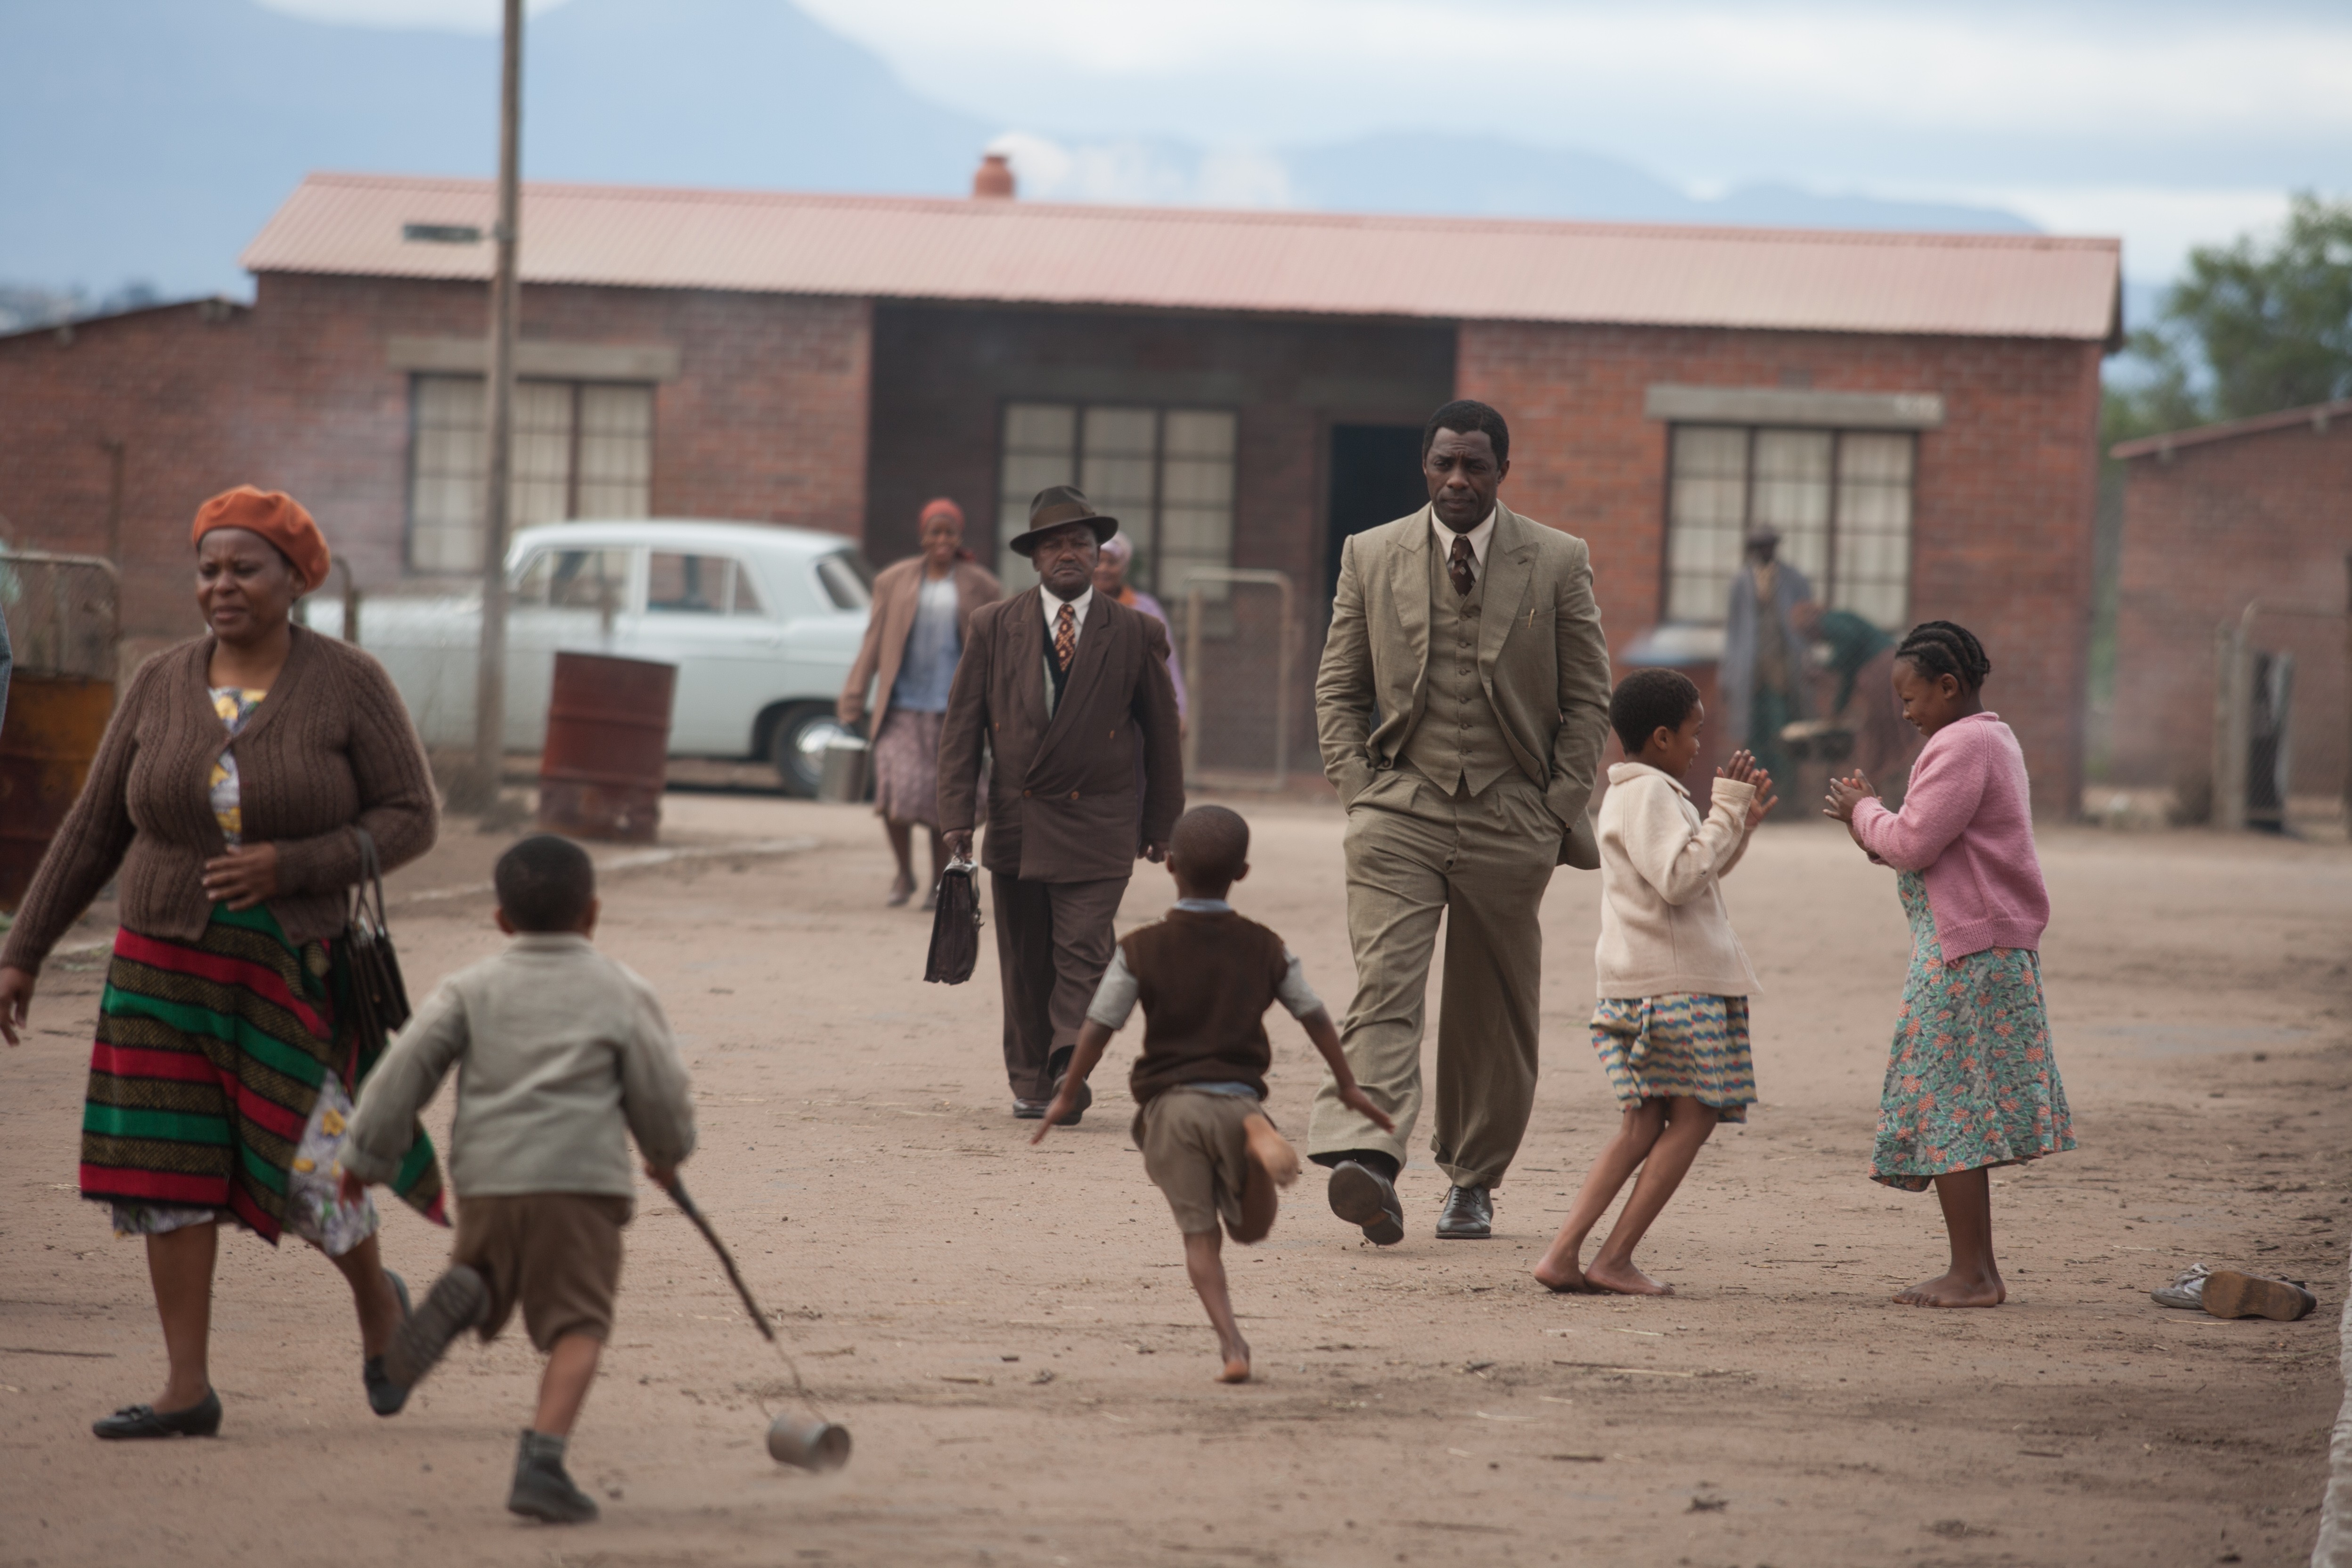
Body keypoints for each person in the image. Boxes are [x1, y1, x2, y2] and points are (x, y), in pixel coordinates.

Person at [0, 485, 443, 1438]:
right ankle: (185, 1387)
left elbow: (412, 816)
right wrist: (23, 949)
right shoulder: (159, 680)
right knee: (164, 1167)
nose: (222, 585)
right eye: (208, 568)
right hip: (157, 969)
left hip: (286, 971)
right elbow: (94, 825)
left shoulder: (349, 682)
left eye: (246, 567)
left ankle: (379, 1305)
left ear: (296, 577)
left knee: (313, 1165)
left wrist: (297, 863)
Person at [1311, 398, 1612, 1243]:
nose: (1457, 479)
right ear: (1425, 466)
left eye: (1474, 465)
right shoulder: (1370, 554)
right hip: (1398, 806)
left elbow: (1589, 697)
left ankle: (1472, 1180)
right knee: (1385, 982)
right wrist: (1359, 791)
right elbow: (1339, 686)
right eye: (1444, 463)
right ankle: (1368, 1157)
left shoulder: (1557, 559)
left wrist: (1554, 808)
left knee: (1492, 1009)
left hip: (1511, 812)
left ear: (1501, 471)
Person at [337, 834, 697, 1524]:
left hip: (488, 1182)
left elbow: (403, 1070)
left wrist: (364, 1158)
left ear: (502, 920)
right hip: (581, 1187)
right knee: (578, 1324)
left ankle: (475, 1289)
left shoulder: (471, 988)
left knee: (490, 1270)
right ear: (593, 913)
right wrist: (666, 1152)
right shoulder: (622, 991)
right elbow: (659, 1089)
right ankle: (543, 1464)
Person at [1032, 805, 1392, 1382]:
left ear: (1170, 865)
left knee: (1202, 1241)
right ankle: (1256, 1139)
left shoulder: (1141, 947)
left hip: (1171, 1109)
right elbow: (1314, 1013)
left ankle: (1233, 1347)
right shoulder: (1265, 946)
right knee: (1252, 1230)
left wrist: (1066, 1091)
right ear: (1241, 873)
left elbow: (1099, 1025)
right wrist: (1347, 1084)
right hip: (1238, 1101)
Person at [1825, 621, 2075, 1308]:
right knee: (1958, 1105)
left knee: (1951, 1108)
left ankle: (1971, 1275)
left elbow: (1913, 842)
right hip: (1979, 948)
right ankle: (1978, 1270)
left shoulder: (1963, 743)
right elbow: (1928, 841)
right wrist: (1873, 824)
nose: (1905, 712)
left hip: (1966, 953)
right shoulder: (1992, 739)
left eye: (1911, 699)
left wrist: (1863, 811)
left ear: (1949, 686)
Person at [937, 486, 1185, 1121]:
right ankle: (1032, 1081)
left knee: (1085, 948)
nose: (1067, 553)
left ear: (1100, 553)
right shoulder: (994, 625)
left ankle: (1069, 1061)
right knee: (1025, 963)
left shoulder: (1136, 632)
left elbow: (1162, 736)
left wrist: (1161, 822)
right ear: (1034, 557)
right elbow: (962, 728)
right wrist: (956, 817)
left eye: (1079, 542)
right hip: (1017, 820)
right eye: (1054, 544)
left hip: (1101, 821)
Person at [1532, 670, 1776, 1297]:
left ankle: (1564, 1255)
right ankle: (1613, 1259)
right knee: (1694, 1116)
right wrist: (1725, 810)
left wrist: (1738, 826)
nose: (1699, 745)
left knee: (1642, 1126)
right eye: (1694, 732)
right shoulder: (1648, 795)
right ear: (1662, 737)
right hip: (1674, 989)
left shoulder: (1642, 794)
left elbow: (1696, 875)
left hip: (1650, 985)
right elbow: (1680, 878)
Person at [840, 498, 1003, 907]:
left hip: (952, 712)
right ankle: (903, 872)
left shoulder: (982, 585)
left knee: (939, 800)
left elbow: (997, 652)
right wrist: (853, 698)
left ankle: (937, 882)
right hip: (901, 707)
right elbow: (874, 641)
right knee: (895, 793)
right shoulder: (893, 580)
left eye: (950, 532)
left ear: (960, 537)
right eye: (935, 532)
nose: (942, 540)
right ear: (923, 537)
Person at [1719, 526, 1813, 794]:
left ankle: (1784, 790)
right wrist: (1727, 675)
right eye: (1759, 546)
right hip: (1750, 672)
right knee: (1752, 733)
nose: (1764, 551)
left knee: (1782, 728)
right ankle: (1757, 789)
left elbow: (1806, 624)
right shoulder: (1741, 582)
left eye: (1768, 545)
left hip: (1783, 669)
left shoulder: (1793, 579)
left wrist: (1806, 661)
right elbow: (1733, 631)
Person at [1091, 532, 1187, 720]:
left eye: (1112, 562)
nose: (1103, 569)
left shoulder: (1145, 608)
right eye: (1098, 562)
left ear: (1124, 567)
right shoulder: (1076, 607)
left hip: (1135, 710)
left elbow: (1166, 660)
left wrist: (1179, 710)